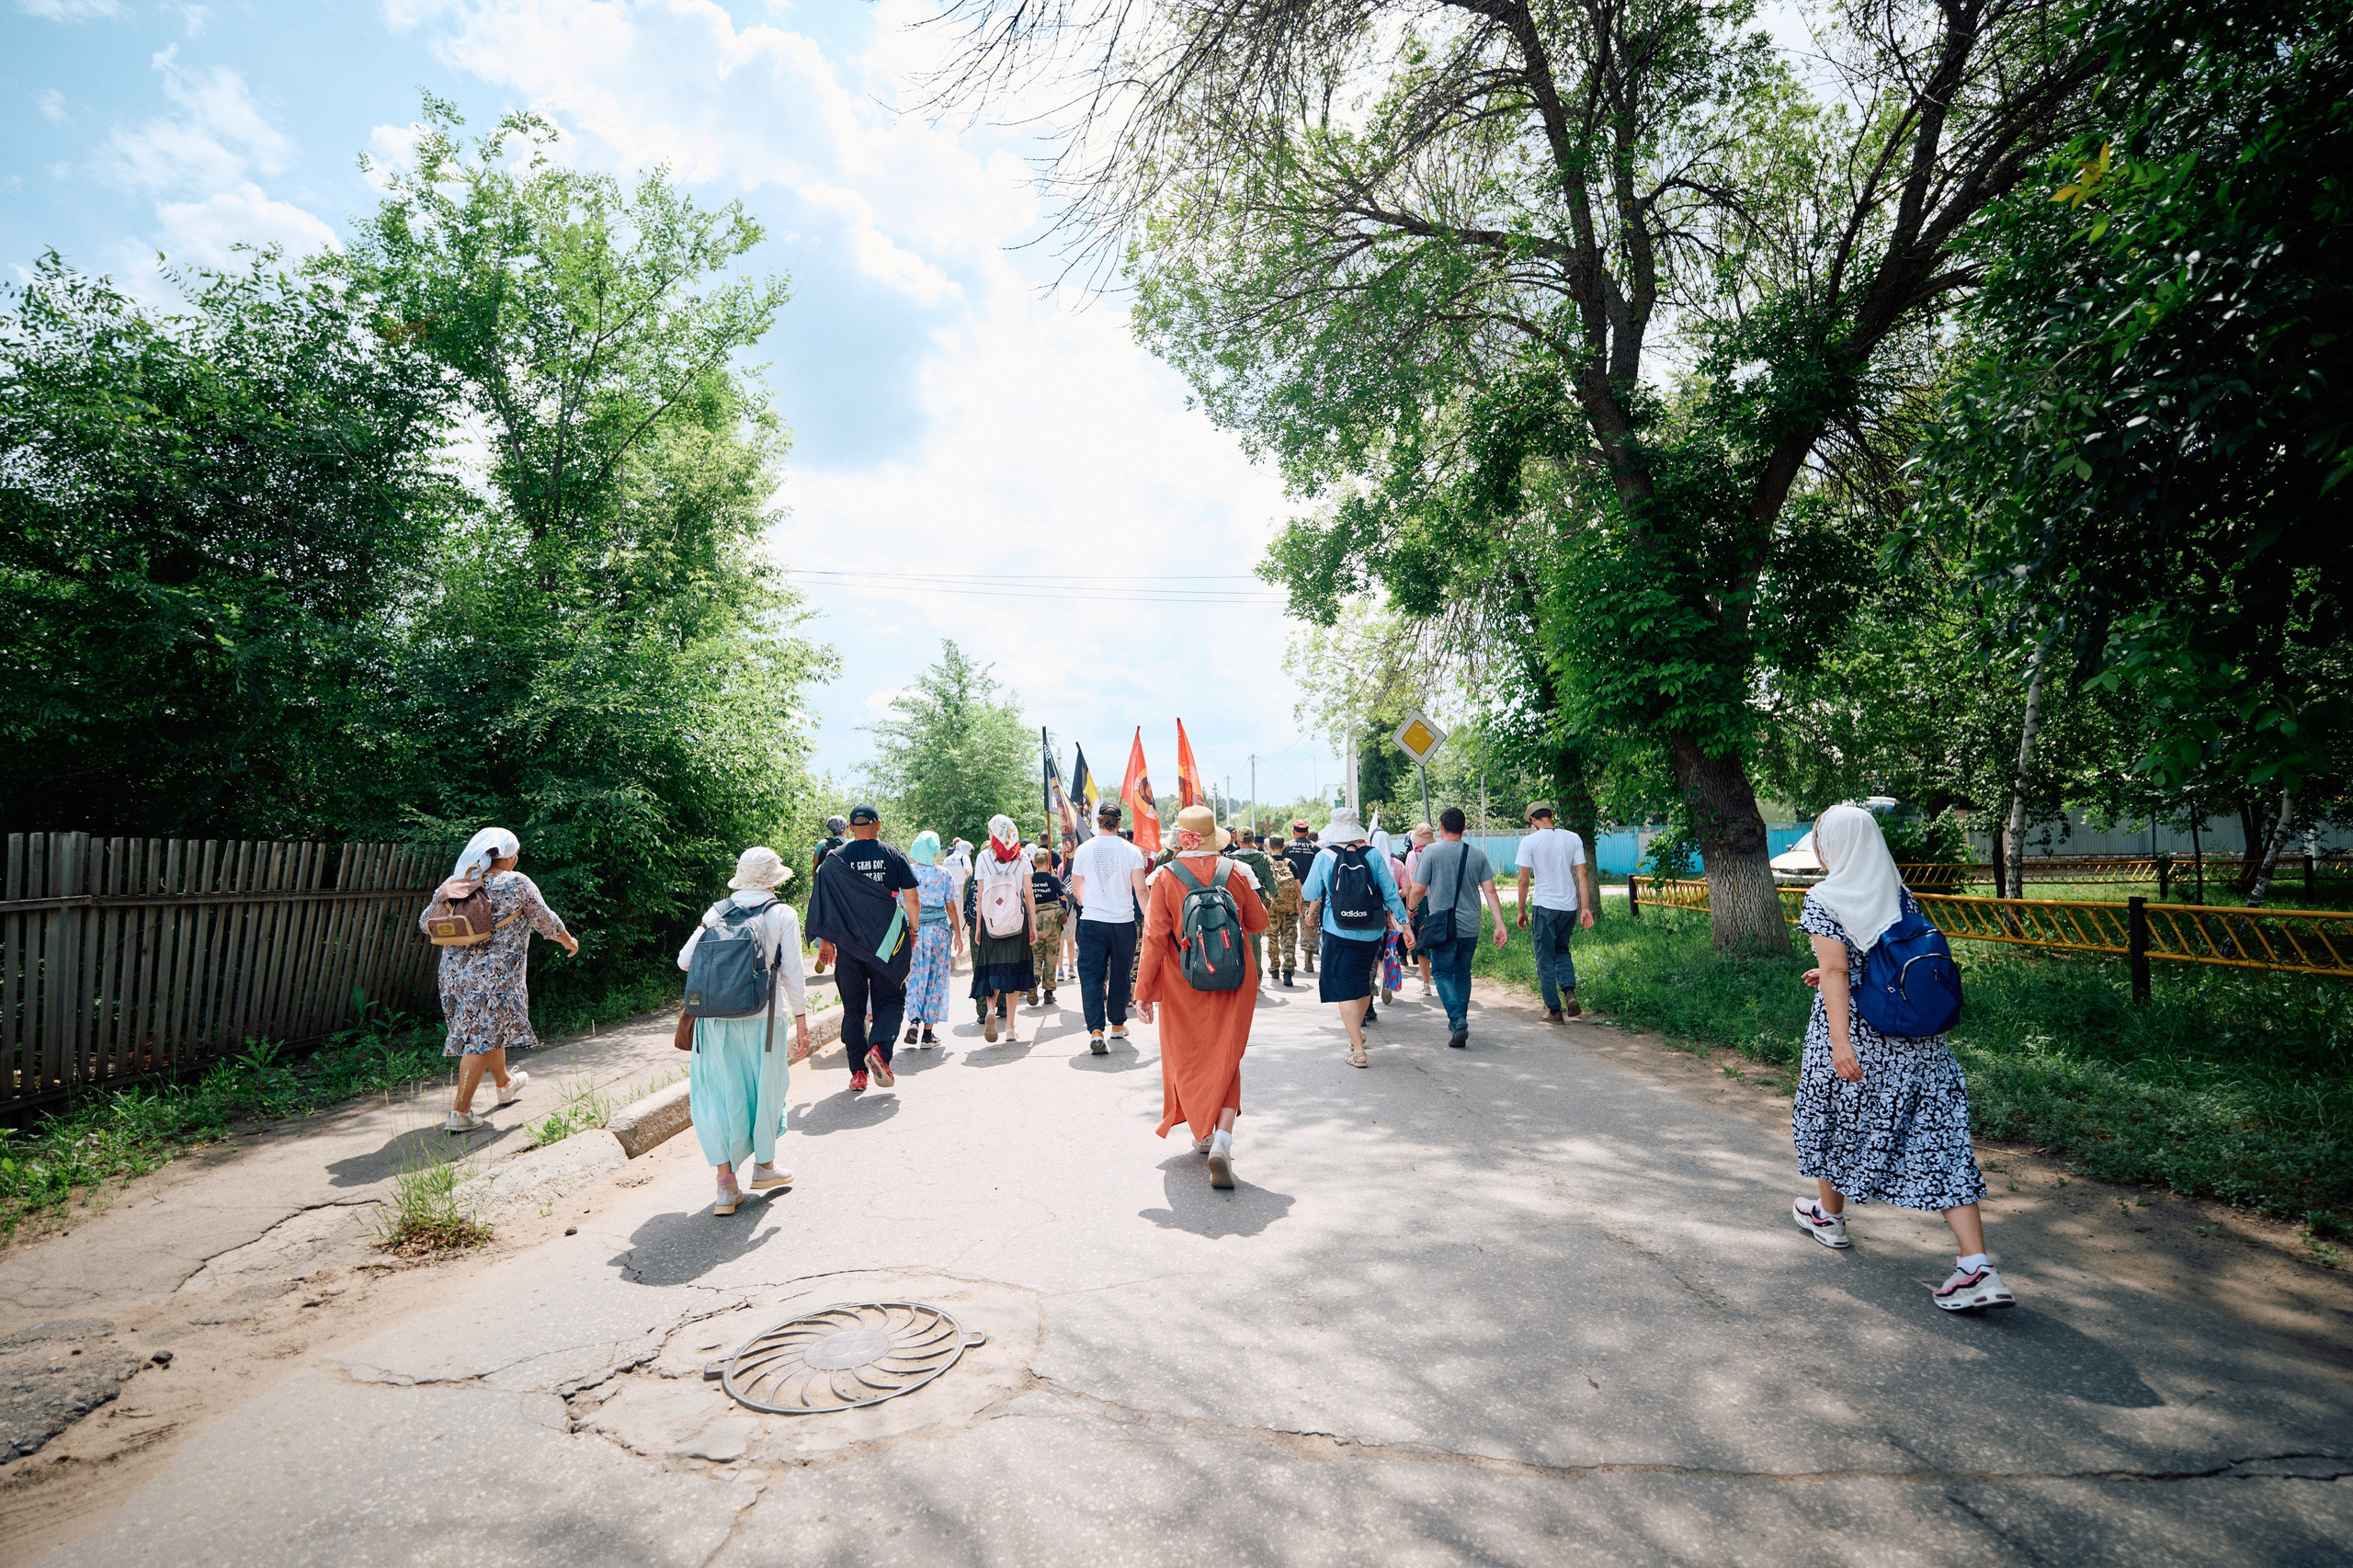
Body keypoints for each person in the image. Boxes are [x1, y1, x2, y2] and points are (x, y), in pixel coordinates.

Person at [1791, 804, 2011, 1311]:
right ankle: (1976, 1265)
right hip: (1916, 1041)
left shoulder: (1823, 897)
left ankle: (1830, 1218)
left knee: (1833, 1118)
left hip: (1858, 1036)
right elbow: (1887, 955)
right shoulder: (1897, 890)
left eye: (1820, 839)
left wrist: (1840, 1043)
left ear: (1833, 846)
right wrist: (1836, 971)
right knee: (1939, 1142)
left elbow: (1838, 972)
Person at [1135, 805, 1269, 1189]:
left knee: (1189, 1056)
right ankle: (1222, 1140)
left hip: (1184, 982)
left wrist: (1143, 992)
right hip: (1234, 978)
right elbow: (1258, 922)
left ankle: (1204, 1132)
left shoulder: (1164, 877)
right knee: (1227, 1054)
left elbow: (1154, 938)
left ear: (1182, 838)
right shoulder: (1237, 871)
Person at [675, 848, 813, 1216]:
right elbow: (792, 973)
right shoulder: (782, 914)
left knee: (720, 1095)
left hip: (714, 1022)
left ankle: (725, 1187)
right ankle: (764, 1167)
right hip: (764, 1018)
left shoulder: (716, 912)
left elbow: (684, 961)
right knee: (767, 1090)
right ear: (772, 880)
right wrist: (802, 1022)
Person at [419, 827, 578, 1132]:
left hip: (453, 977)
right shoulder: (516, 882)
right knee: (479, 1040)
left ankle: (505, 1084)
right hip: (495, 978)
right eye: (515, 854)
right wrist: (569, 941)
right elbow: (546, 920)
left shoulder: (456, 882)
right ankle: (460, 1113)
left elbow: (426, 923)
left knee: (489, 1030)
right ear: (507, 858)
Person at [806, 803, 920, 1092]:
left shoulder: (834, 859)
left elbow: (823, 899)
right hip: (888, 943)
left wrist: (826, 940)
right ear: (878, 824)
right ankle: (879, 1050)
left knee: (853, 1009)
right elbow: (912, 899)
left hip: (849, 945)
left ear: (851, 828)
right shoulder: (893, 854)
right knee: (891, 1001)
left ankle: (858, 1073)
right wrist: (913, 930)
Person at [1297, 807, 1414, 1068]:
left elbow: (1310, 892)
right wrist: (1405, 926)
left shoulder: (1325, 856)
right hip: (1371, 931)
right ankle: (1355, 1034)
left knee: (1344, 988)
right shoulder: (1372, 855)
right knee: (1362, 983)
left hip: (1338, 931)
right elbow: (1390, 893)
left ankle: (1358, 1049)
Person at [1406, 809, 1511, 1049]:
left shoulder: (1431, 852)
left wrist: (1411, 909)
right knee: (1462, 972)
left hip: (1442, 927)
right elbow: (1490, 891)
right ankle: (1459, 1021)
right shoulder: (1477, 855)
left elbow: (1419, 889)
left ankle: (1457, 1019)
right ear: (1464, 828)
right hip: (1470, 925)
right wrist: (1499, 924)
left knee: (1442, 972)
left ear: (1441, 827)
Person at [1069, 800, 1150, 1055]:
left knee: (1091, 976)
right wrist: (1151, 918)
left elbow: (1077, 888)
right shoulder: (1132, 851)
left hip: (1092, 921)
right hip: (1123, 922)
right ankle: (1117, 1024)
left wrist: (1092, 903)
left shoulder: (1084, 850)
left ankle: (1096, 1030)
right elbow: (1141, 890)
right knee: (1120, 974)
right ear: (1119, 822)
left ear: (1098, 821)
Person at [1516, 803, 1597, 1021]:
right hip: (1569, 907)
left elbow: (1524, 880)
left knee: (1545, 957)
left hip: (1544, 907)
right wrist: (1585, 908)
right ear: (1552, 815)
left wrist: (1521, 911)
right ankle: (1569, 993)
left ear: (1533, 820)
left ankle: (1554, 1010)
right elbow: (1582, 875)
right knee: (1562, 950)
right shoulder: (1573, 838)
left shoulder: (1529, 842)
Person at [968, 814, 1039, 1043]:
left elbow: (980, 896)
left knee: (992, 967)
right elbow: (1029, 895)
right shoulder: (1022, 857)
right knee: (1013, 970)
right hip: (1016, 921)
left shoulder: (982, 858)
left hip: (991, 921)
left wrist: (978, 927)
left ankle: (990, 1010)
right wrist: (1033, 926)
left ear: (995, 834)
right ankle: (1009, 1027)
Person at [902, 831, 965, 1047]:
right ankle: (928, 1035)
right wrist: (958, 936)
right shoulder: (944, 874)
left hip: (914, 932)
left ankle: (913, 1020)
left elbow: (901, 902)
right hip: (939, 933)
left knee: (914, 977)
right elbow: (951, 908)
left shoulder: (908, 872)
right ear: (936, 851)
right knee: (936, 979)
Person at [1230, 830, 1279, 986]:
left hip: (1235, 903)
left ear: (1237, 841)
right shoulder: (1263, 858)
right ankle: (1256, 977)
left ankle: (1239, 975)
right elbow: (1271, 884)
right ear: (1252, 840)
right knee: (1255, 940)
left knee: (1235, 939)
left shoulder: (1230, 859)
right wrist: (1273, 895)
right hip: (1257, 902)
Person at [1027, 846, 1069, 1008]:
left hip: (1034, 921)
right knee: (1051, 955)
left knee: (1036, 954)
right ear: (1049, 863)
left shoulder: (1029, 879)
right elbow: (1065, 896)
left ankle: (1034, 979)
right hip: (1053, 922)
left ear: (1034, 863)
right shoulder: (1053, 879)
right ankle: (1049, 992)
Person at [1262, 837, 1304, 987]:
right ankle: (1287, 972)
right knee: (1289, 941)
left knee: (1273, 939)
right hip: (1289, 910)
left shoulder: (1266, 863)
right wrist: (1299, 905)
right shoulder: (1291, 864)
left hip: (1272, 910)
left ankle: (1274, 968)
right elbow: (1299, 888)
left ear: (1269, 847)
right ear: (1283, 846)